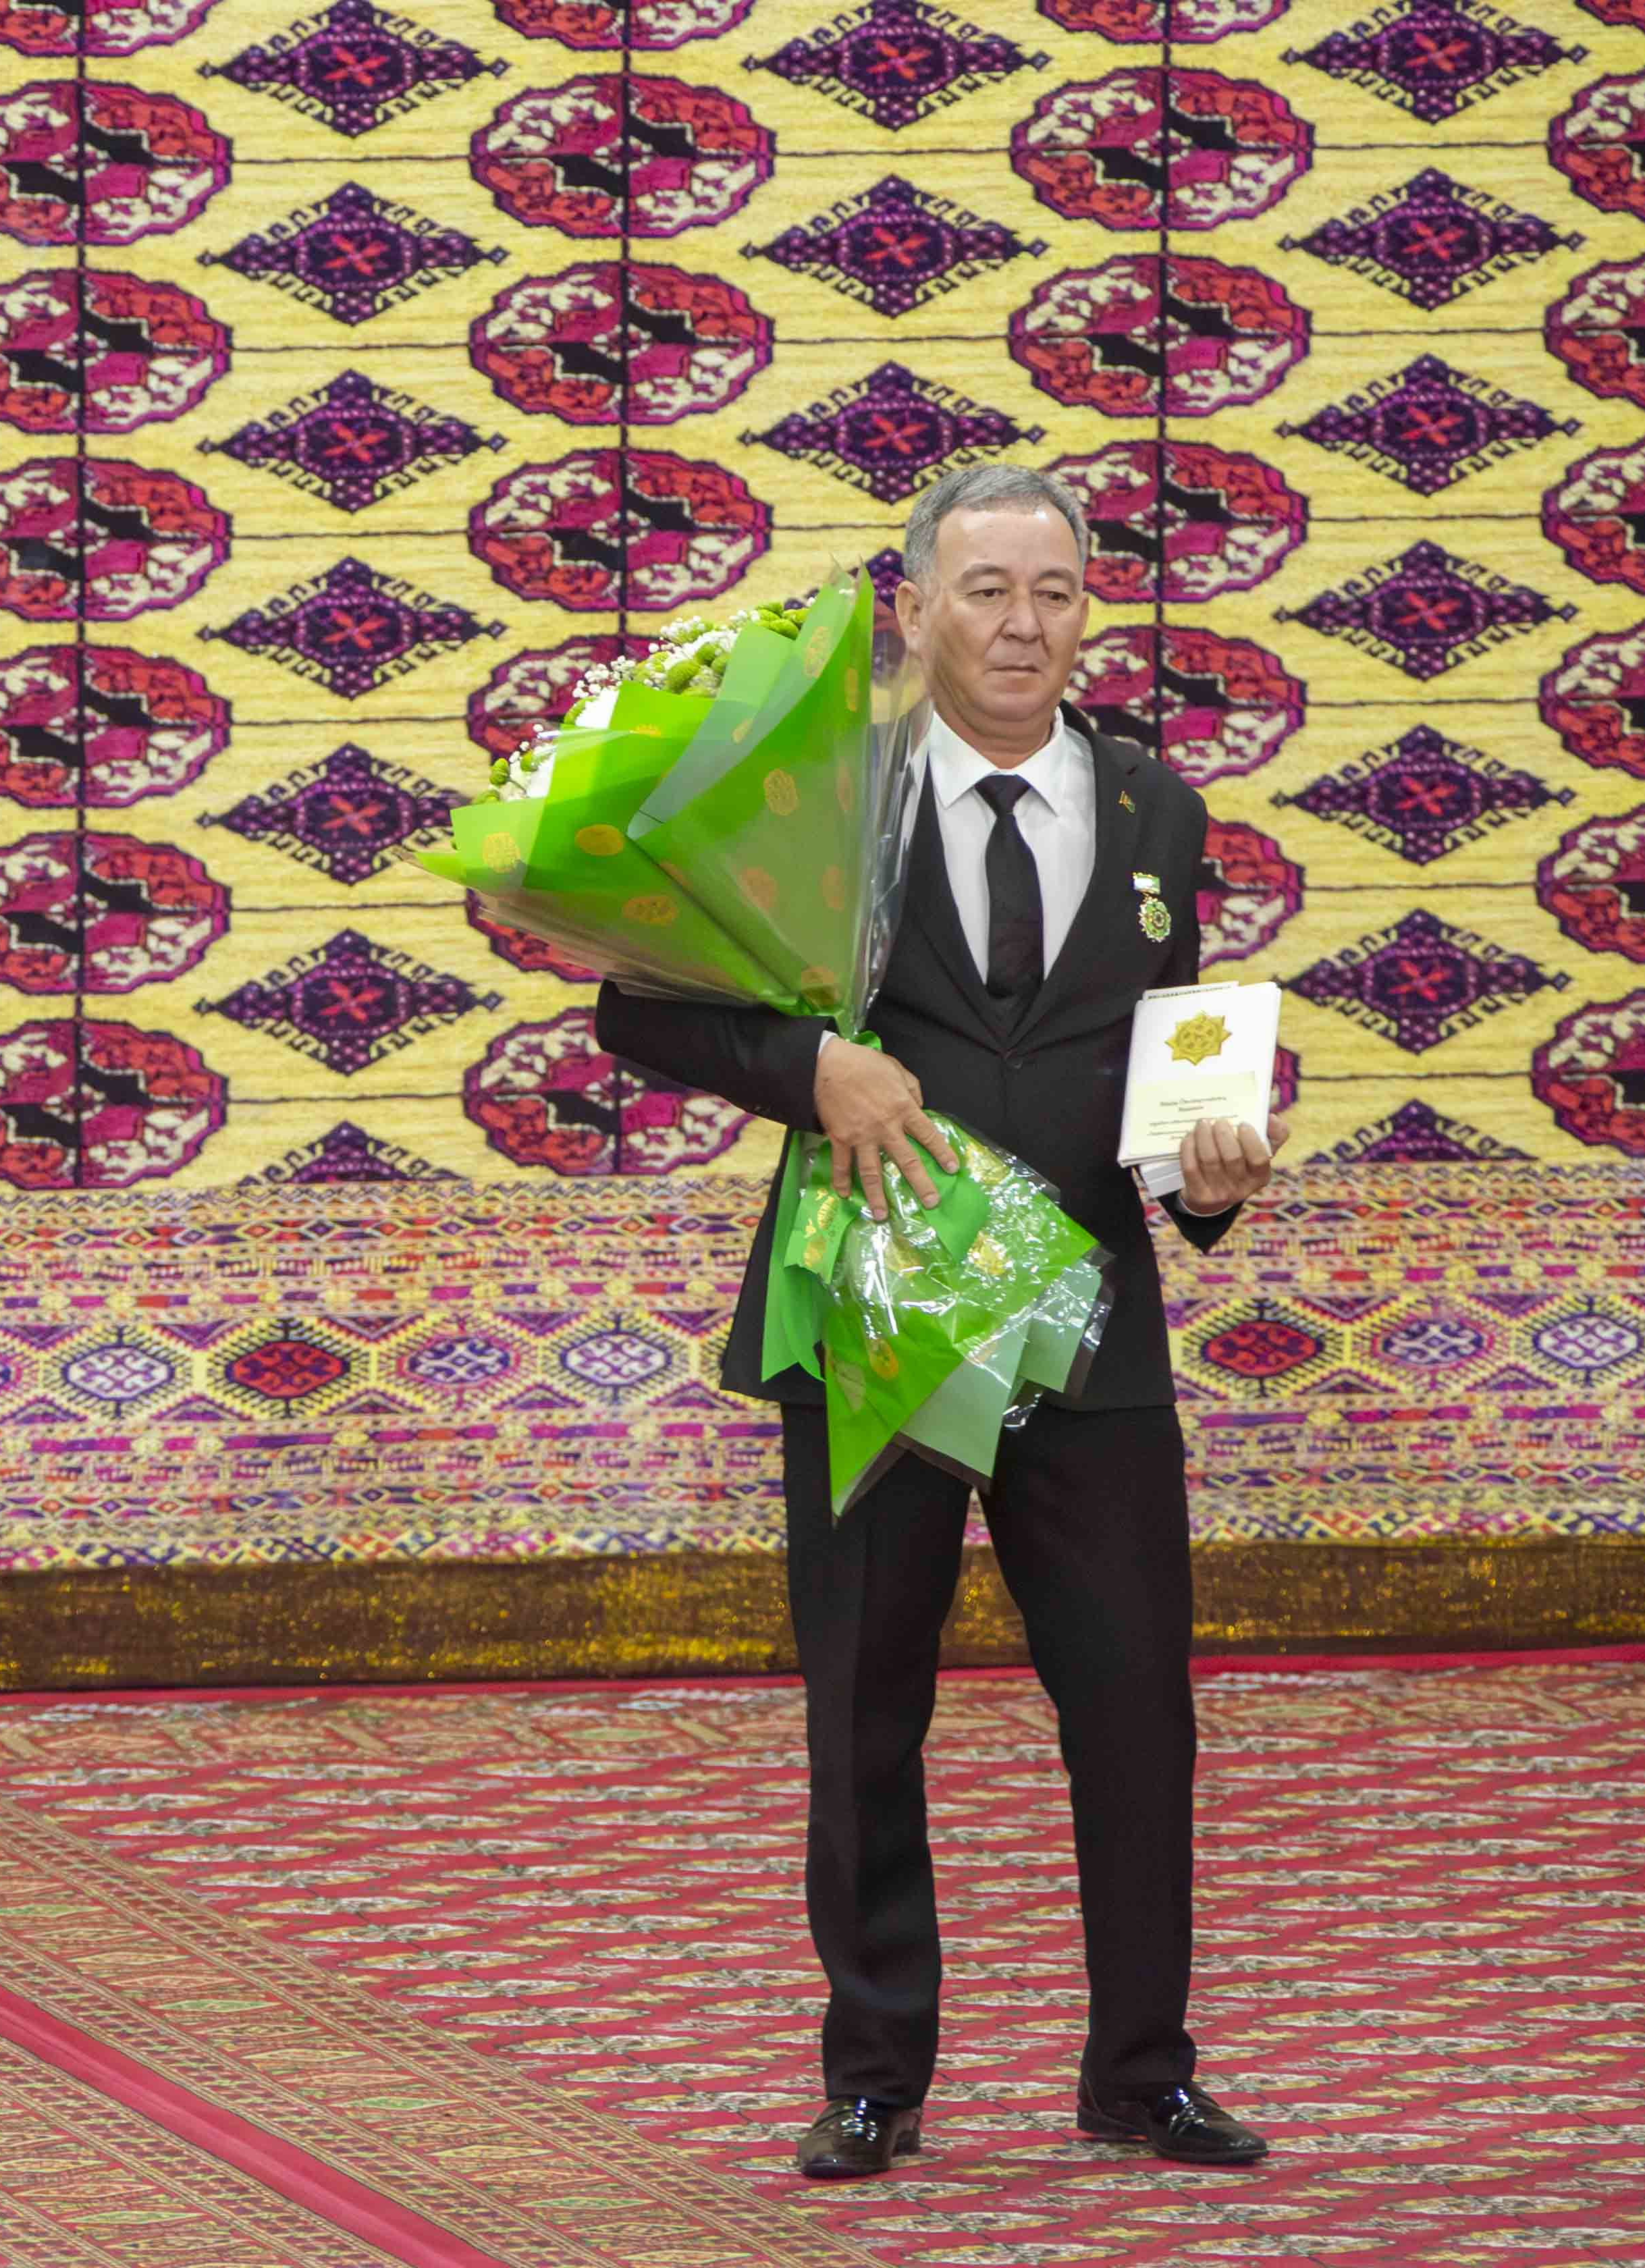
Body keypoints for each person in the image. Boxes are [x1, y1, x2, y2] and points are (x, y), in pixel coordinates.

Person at [596, 464, 1284, 2174]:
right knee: (866, 1709)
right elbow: (637, 1009)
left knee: (1137, 1707)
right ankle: (873, 2077)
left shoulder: (1156, 808)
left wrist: (1211, 1175)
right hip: (877, 1316)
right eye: (985, 590)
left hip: (1088, 1326)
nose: (1022, 624)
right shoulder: (829, 800)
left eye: (1054, 590)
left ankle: (1142, 2071)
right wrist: (807, 1069)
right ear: (912, 611)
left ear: (1089, 610)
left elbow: (1163, 1061)